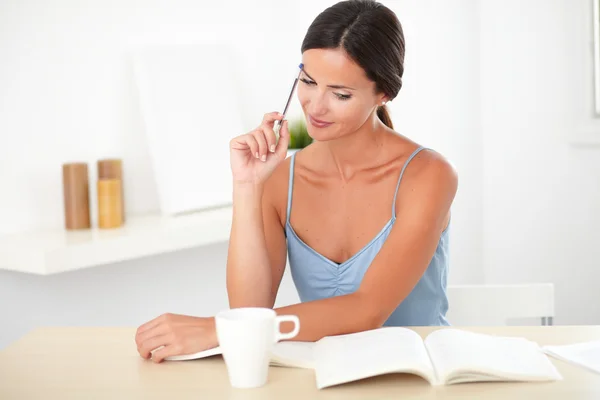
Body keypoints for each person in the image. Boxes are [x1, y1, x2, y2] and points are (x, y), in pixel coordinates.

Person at [135, 0, 458, 363]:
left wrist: (219, 329)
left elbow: (368, 310)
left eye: (340, 94)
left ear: (383, 93)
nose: (315, 107)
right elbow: (249, 308)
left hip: (419, 377)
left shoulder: (429, 175)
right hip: (325, 376)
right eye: (307, 81)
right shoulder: (281, 178)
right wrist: (248, 187)